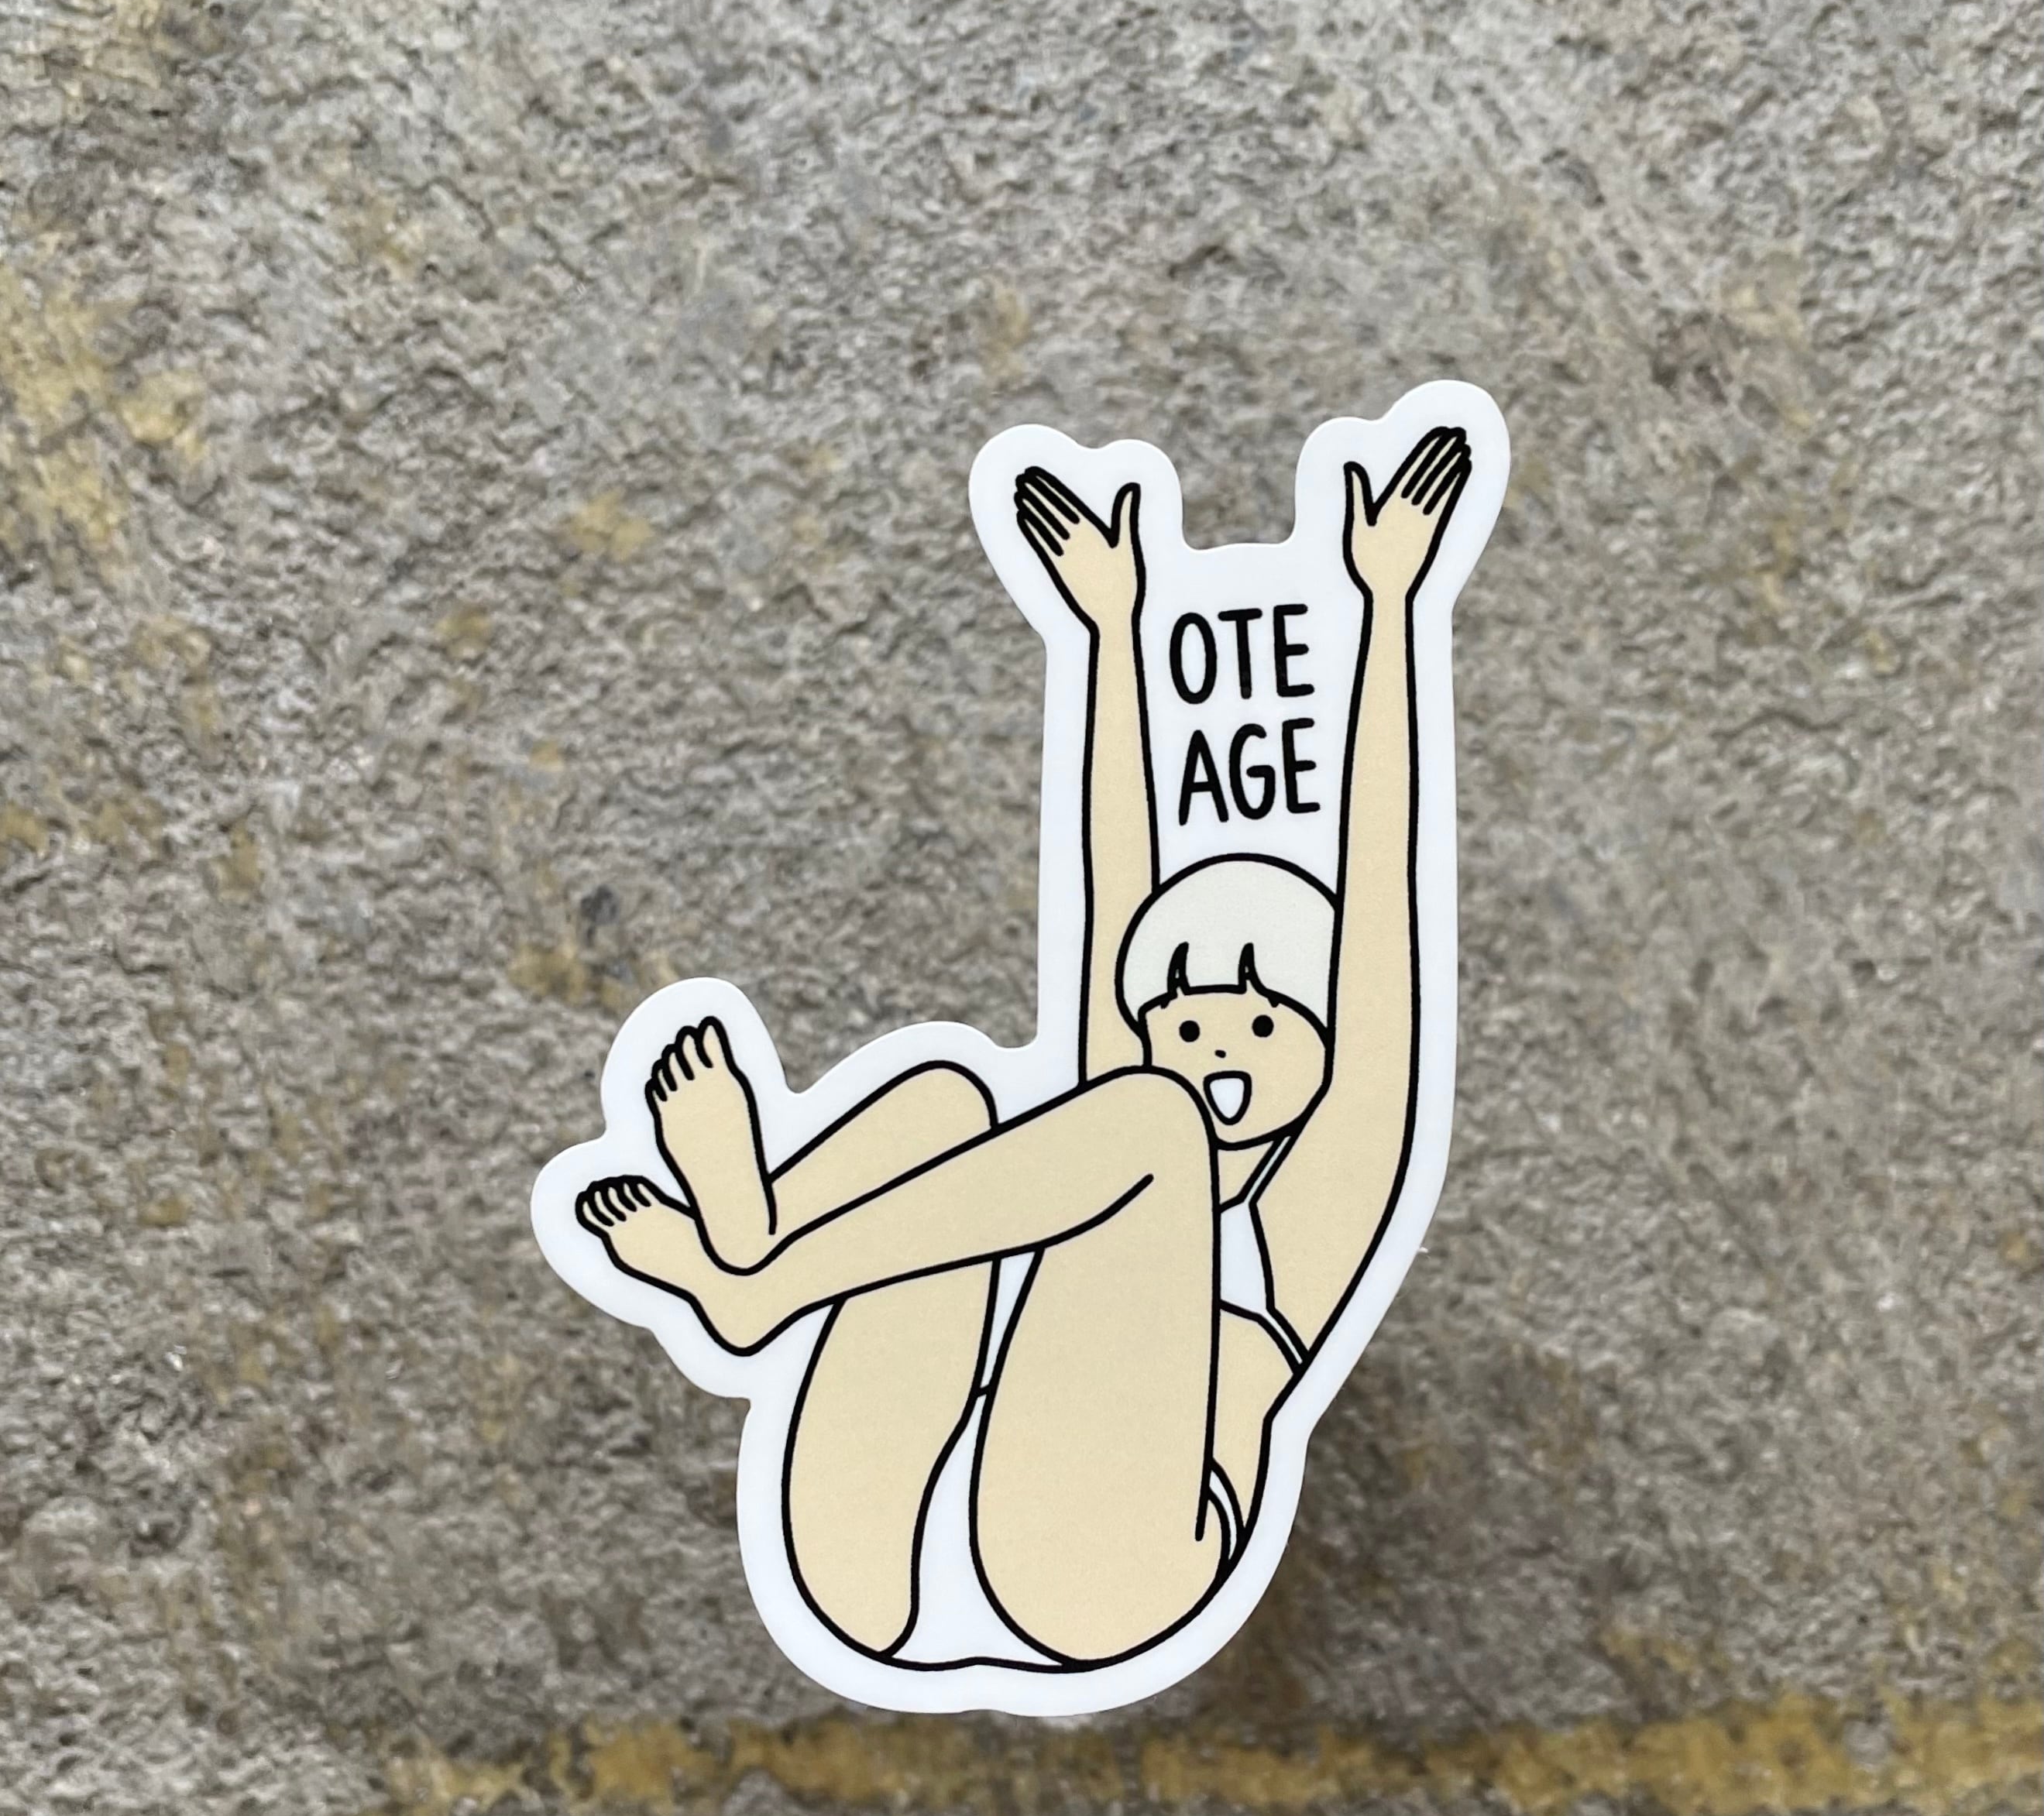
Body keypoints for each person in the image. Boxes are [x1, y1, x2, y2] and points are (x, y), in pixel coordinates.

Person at [576, 425, 1473, 1667]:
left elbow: (1378, 936)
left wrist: (1388, 607)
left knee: (1146, 1125)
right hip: (886, 1556)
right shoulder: (1123, 1114)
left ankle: (762, 1278)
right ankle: (762, 1240)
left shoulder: (1314, 1208)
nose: (1215, 1042)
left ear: (1320, 1052)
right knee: (946, 1100)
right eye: (1187, 1017)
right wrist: (1108, 628)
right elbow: (1116, 899)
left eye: (1265, 1022)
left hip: (1104, 1579)